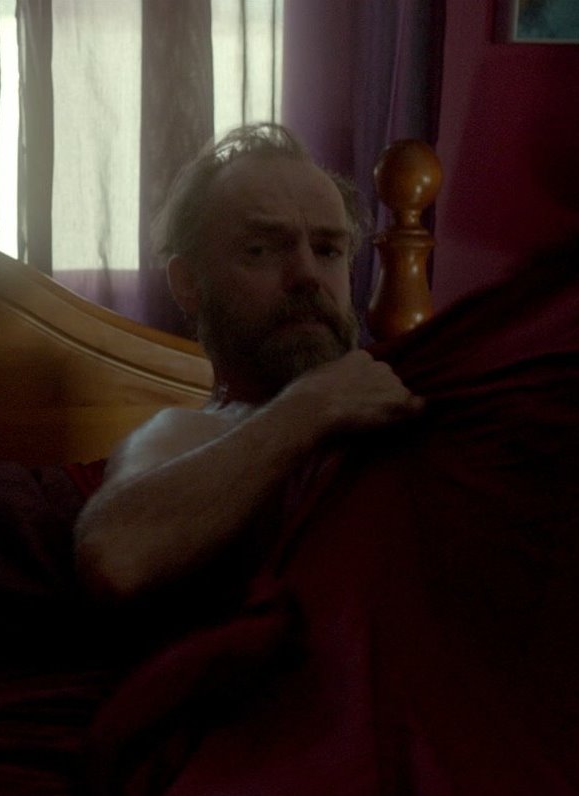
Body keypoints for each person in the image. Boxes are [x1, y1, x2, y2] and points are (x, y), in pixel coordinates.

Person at [73, 123, 424, 606]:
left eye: (328, 250)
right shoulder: (188, 432)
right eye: (260, 250)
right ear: (189, 284)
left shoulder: (417, 381)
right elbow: (115, 554)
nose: (307, 275)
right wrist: (311, 406)